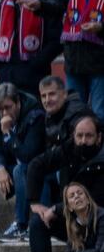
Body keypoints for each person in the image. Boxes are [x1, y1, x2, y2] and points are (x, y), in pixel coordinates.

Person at [21, 114, 104, 252]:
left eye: (89, 136)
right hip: (71, 216)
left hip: (97, 223)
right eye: (79, 136)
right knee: (38, 222)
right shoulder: (68, 149)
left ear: (99, 137)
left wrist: (56, 209)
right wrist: (34, 202)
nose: (83, 141)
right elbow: (36, 164)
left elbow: (94, 200)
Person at [0, 0, 63, 98]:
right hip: (6, 75)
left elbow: (57, 41)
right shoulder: (4, 2)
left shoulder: (46, 3)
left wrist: (36, 64)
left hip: (33, 77)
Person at [0, 83, 47, 244]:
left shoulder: (35, 116)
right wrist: (0, 168)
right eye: (0, 109)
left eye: (8, 107)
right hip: (14, 169)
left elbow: (27, 155)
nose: (4, 113)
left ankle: (21, 225)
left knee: (20, 169)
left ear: (18, 102)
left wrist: (8, 134)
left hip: (35, 169)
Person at [27, 76, 88, 209]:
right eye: (43, 96)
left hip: (80, 167)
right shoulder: (50, 114)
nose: (47, 100)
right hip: (60, 162)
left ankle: (62, 213)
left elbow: (75, 150)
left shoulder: (77, 112)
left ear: (64, 94)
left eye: (52, 94)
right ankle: (40, 214)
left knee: (60, 167)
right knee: (25, 169)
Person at [60, 0, 104, 120]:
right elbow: (59, 4)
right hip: (74, 61)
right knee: (74, 113)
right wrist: (41, 5)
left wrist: (101, 28)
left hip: (100, 63)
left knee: (100, 113)